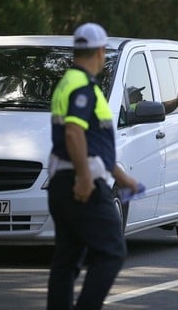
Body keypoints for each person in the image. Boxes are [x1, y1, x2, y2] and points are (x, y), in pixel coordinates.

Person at [47, 22, 140, 310]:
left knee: (67, 261)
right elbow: (74, 133)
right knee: (112, 251)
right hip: (80, 183)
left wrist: (120, 176)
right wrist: (86, 179)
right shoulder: (83, 86)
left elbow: (91, 139)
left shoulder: (69, 82)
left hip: (63, 182)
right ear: (100, 52)